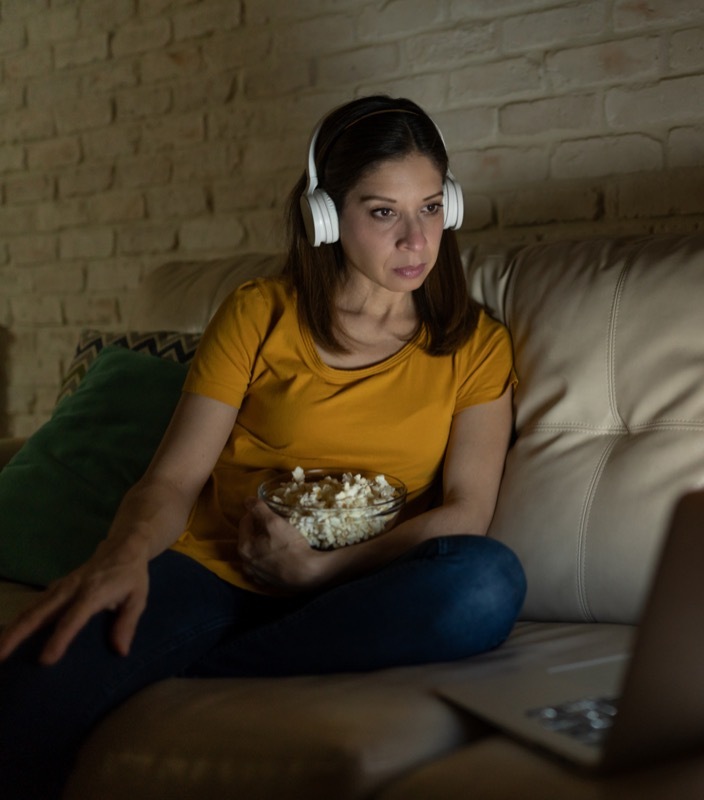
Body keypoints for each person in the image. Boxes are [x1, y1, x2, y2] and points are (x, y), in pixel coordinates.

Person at [0, 95, 527, 799]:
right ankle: (162, 658)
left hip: (361, 590)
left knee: (486, 582)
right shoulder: (257, 312)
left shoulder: (477, 346)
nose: (417, 240)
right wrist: (119, 557)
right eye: (383, 212)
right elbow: (174, 480)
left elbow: (467, 513)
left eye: (432, 207)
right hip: (217, 567)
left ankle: (190, 667)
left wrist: (314, 573)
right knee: (33, 678)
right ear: (326, 216)